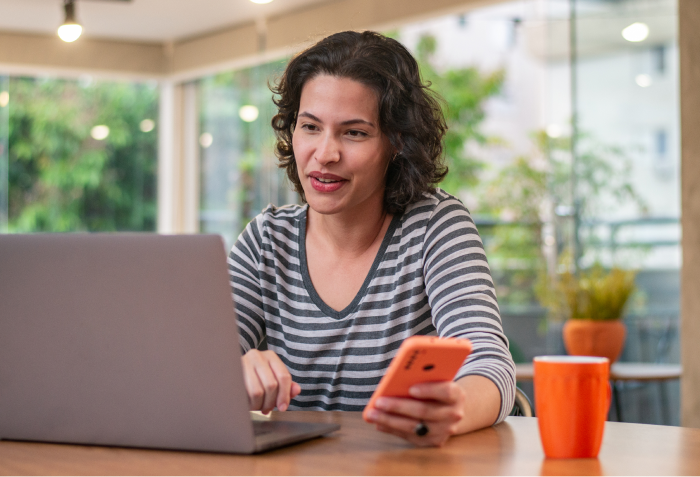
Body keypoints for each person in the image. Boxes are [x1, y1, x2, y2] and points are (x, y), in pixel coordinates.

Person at [228, 30, 515, 447]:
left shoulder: (434, 225)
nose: (325, 153)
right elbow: (195, 369)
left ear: (396, 142)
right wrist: (230, 369)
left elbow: (489, 364)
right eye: (310, 127)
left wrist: (452, 407)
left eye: (354, 133)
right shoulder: (267, 240)